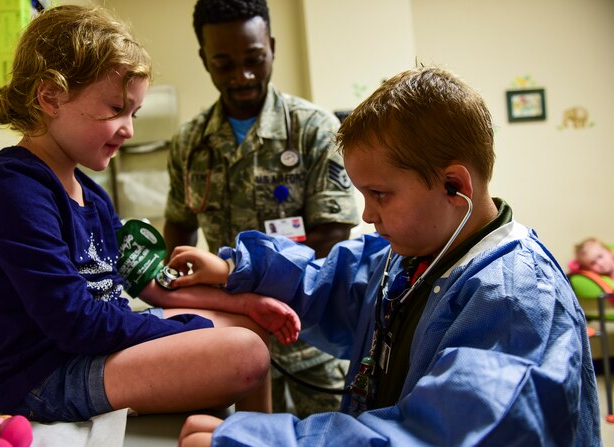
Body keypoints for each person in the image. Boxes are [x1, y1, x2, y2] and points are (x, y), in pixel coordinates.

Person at [168, 66, 601, 446]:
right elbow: (326, 284)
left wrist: (269, 441)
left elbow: (437, 437)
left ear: (455, 187)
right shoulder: (409, 258)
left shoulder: (515, 302)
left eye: (379, 194)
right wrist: (235, 268)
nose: (367, 214)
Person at [0, 5, 301, 423]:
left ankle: (251, 435)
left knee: (250, 329)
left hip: (92, 347)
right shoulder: (11, 189)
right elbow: (76, 324)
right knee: (243, 350)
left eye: (132, 114)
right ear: (50, 97)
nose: (129, 130)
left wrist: (246, 302)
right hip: (45, 377)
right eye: (115, 109)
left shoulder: (92, 197)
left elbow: (150, 283)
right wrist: (188, 329)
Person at [163, 0, 359, 417]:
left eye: (254, 59)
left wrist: (248, 282)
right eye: (224, 63)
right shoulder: (189, 143)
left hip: (313, 340)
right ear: (204, 60)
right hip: (230, 339)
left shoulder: (313, 129)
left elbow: (330, 239)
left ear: (271, 45)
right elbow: (179, 231)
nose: (242, 76)